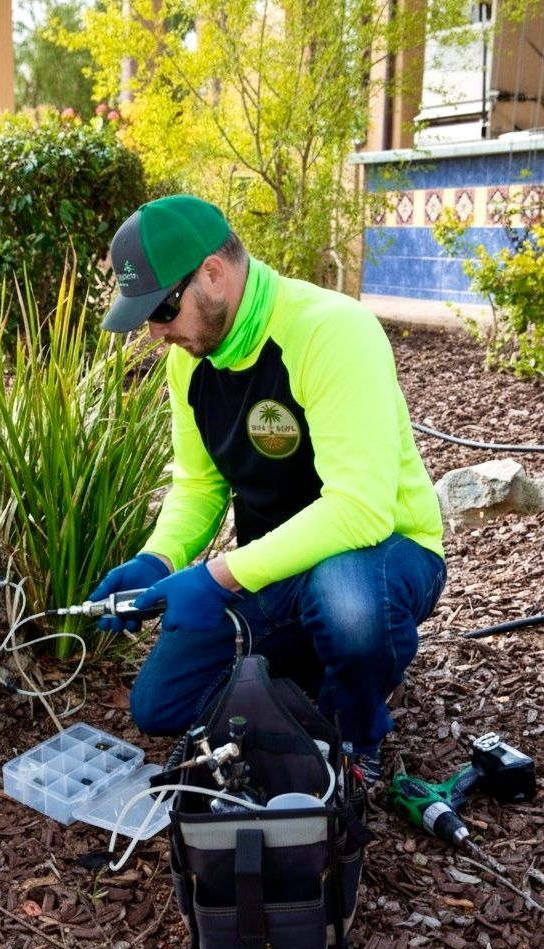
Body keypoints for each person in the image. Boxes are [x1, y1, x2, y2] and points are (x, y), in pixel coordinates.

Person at [90, 195, 446, 780]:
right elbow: (199, 486)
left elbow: (360, 510)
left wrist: (215, 577)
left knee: (352, 609)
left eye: (162, 310)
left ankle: (356, 729)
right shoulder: (191, 359)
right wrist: (159, 558)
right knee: (159, 705)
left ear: (212, 274)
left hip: (384, 553)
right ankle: (314, 667)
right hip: (277, 566)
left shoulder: (331, 330)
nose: (156, 333)